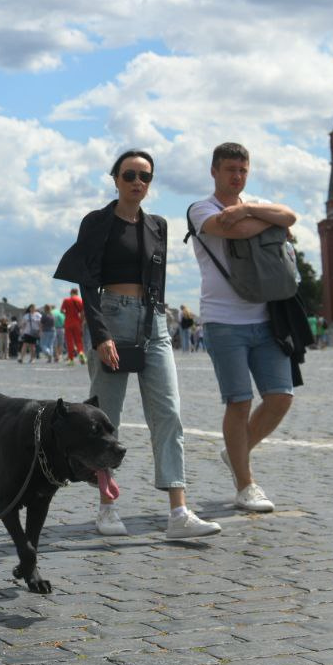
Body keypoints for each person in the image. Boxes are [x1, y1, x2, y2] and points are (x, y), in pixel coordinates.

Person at [55, 150, 221, 540]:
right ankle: (107, 507)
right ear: (115, 179)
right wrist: (100, 334)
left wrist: (156, 317)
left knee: (169, 413)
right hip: (110, 316)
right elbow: (86, 281)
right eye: (129, 174)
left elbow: (156, 280)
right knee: (103, 419)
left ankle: (178, 512)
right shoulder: (97, 222)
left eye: (144, 176)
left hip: (153, 322)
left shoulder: (158, 225)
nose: (137, 182)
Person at [187, 142, 298, 514]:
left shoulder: (255, 204)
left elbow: (290, 216)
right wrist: (269, 221)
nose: (237, 176)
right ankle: (245, 484)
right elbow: (236, 232)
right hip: (223, 321)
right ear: (214, 171)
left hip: (266, 318)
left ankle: (235, 451)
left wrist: (250, 209)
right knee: (239, 401)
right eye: (230, 169)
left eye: (243, 170)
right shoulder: (200, 209)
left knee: (281, 396)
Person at [61, 288, 86, 365]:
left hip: (68, 323)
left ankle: (71, 359)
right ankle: (81, 353)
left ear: (71, 292)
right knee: (78, 340)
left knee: (69, 341)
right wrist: (81, 321)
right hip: (77, 323)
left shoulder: (66, 300)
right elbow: (82, 312)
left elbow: (62, 310)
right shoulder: (80, 300)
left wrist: (67, 314)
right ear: (77, 293)